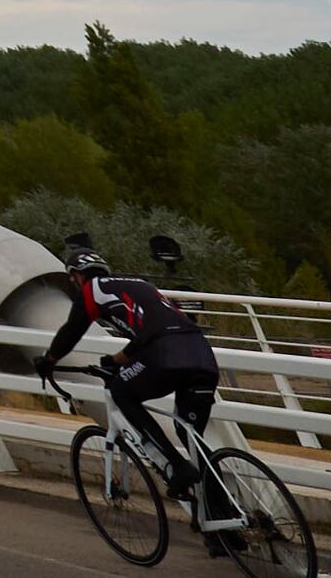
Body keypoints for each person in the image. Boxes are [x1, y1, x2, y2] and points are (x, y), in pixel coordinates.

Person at [44, 231, 239, 549]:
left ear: (76, 276)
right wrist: (121, 357)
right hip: (201, 354)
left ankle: (175, 467)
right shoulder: (141, 286)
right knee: (193, 436)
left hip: (164, 353)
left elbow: (71, 331)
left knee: (122, 392)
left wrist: (49, 359)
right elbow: (157, 326)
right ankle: (223, 526)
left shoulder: (92, 291)